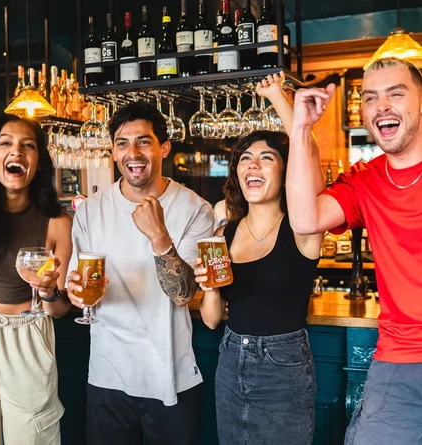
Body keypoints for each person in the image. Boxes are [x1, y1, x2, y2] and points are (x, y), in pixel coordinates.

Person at [287, 57, 422, 445]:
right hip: (399, 362)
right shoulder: (366, 179)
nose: (382, 106)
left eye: (396, 94)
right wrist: (300, 127)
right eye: (370, 97)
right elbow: (305, 218)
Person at [66, 101, 215, 445]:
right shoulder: (90, 211)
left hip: (171, 376)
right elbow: (78, 289)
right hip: (107, 376)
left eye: (143, 141)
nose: (132, 152)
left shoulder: (195, 209)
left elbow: (183, 294)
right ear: (113, 151)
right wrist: (76, 292)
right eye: (122, 143)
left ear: (164, 147)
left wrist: (159, 236)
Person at [194, 74, 324, 445]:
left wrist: (277, 97)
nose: (253, 165)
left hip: (283, 370)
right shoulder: (226, 232)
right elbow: (213, 319)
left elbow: (308, 157)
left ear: (286, 172)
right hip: (230, 359)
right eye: (245, 159)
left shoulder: (303, 227)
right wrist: (211, 289)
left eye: (267, 158)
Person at [0, 113, 73, 445]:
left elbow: (59, 309)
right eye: (6, 143)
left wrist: (47, 294)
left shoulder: (57, 221)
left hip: (26, 337)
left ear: (38, 161)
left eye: (28, 146)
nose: (17, 152)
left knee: (32, 438)